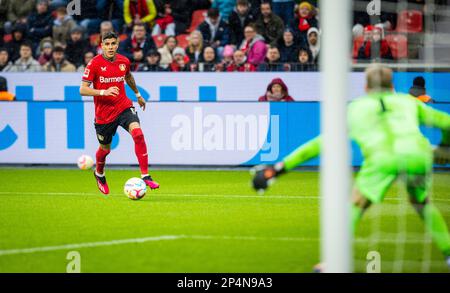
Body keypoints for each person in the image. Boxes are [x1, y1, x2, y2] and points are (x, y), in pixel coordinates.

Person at [252, 64, 450, 270]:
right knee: (422, 203)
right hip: (417, 155)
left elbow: (321, 143)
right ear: (392, 85)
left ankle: (333, 262)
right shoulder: (408, 102)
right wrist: (445, 146)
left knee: (355, 203)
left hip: (382, 159)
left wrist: (280, 168)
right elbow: (447, 123)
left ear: (365, 87)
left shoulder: (356, 108)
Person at [79, 31, 160, 195]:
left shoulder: (124, 61)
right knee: (105, 149)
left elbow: (128, 76)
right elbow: (82, 89)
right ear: (101, 45)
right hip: (104, 115)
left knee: (138, 134)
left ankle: (145, 175)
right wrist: (103, 92)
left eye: (113, 44)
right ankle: (99, 173)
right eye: (107, 44)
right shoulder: (94, 64)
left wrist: (137, 95)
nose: (110, 47)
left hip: (123, 106)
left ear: (117, 45)